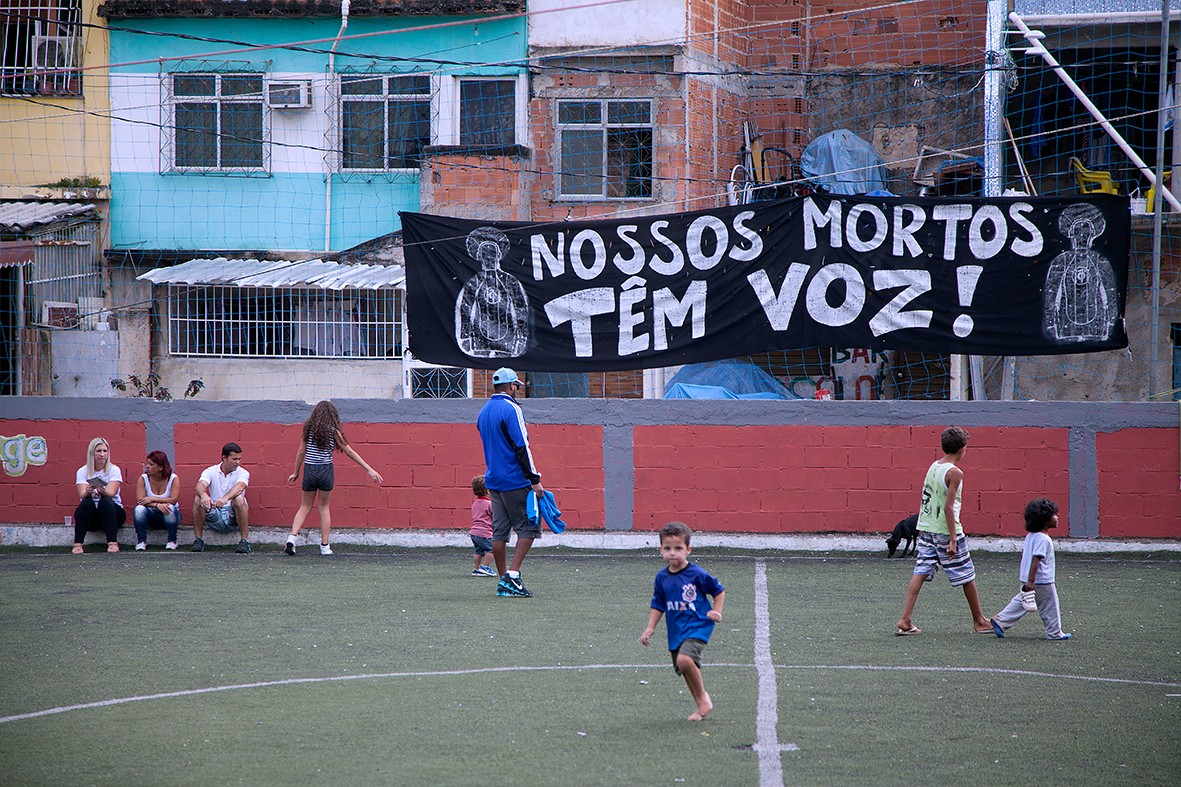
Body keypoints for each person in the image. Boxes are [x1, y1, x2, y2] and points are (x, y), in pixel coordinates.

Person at [895, 426, 992, 635]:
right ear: (962, 449)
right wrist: (953, 540)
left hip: (926, 528)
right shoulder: (955, 472)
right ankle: (980, 620)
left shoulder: (934, 466)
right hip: (946, 530)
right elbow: (949, 507)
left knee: (920, 571)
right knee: (966, 573)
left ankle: (905, 619)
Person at [640, 521, 726, 722]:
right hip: (676, 631)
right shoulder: (661, 577)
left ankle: (703, 697)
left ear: (688, 549)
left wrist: (717, 610)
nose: (672, 553)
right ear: (660, 550)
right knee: (685, 668)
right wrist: (650, 628)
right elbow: (658, 604)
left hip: (698, 625)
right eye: (667, 548)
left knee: (684, 660)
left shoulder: (696, 574)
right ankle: (700, 704)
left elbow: (718, 590)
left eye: (678, 548)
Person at [476, 367, 545, 597]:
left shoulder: (484, 411)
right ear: (512, 386)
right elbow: (521, 446)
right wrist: (534, 479)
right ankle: (512, 576)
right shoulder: (511, 409)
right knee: (529, 528)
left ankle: (504, 578)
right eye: (516, 386)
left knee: (499, 533)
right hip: (515, 480)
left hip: (493, 480)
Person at [283, 400, 383, 556]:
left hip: (309, 470)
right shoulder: (334, 431)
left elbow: (301, 452)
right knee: (323, 508)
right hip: (325, 471)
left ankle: (292, 538)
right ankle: (324, 546)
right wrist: (369, 469)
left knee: (304, 507)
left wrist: (295, 472)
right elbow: (349, 452)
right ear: (332, 415)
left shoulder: (308, 430)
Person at [990, 498, 1072, 640]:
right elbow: (1036, 559)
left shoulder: (1031, 536)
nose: (1057, 517)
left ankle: (1000, 620)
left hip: (1027, 578)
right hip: (1040, 580)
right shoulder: (1043, 539)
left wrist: (1027, 581)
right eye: (1054, 515)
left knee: (1022, 601)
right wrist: (1031, 581)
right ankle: (1054, 633)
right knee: (1050, 605)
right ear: (1045, 520)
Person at [191, 442, 251, 553]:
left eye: (239, 459)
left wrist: (225, 498)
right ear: (224, 457)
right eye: (234, 459)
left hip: (232, 517)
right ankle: (198, 540)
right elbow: (200, 485)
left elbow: (240, 487)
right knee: (198, 498)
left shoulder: (243, 473)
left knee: (239, 498)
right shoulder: (211, 471)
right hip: (215, 513)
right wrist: (204, 495)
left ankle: (245, 542)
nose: (237, 462)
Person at [72, 437, 125, 553]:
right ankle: (77, 544)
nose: (102, 455)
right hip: (92, 517)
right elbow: (82, 494)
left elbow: (111, 493)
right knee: (86, 502)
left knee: (105, 500)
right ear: (92, 453)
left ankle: (112, 543)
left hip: (113, 514)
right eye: (98, 451)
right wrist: (88, 491)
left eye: (105, 451)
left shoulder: (114, 470)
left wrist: (102, 490)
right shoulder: (82, 471)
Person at [133, 450, 181, 551]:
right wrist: (157, 505)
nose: (147, 467)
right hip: (150, 517)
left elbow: (173, 500)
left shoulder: (173, 478)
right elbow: (141, 501)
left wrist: (152, 499)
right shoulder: (143, 478)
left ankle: (172, 541)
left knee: (170, 508)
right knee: (139, 509)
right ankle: (141, 541)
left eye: (151, 464)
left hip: (170, 517)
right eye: (147, 463)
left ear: (161, 467)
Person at [469, 475, 496, 576]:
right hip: (485, 533)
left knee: (479, 552)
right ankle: (485, 567)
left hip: (474, 532)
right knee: (492, 550)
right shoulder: (490, 504)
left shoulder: (475, 503)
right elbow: (495, 516)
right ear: (488, 491)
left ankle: (476, 569)